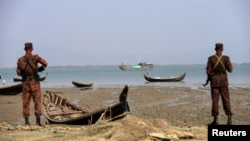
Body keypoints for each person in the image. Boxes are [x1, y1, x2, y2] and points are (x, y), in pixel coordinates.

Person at [16, 42, 48, 126]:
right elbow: (45, 63)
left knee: (26, 102)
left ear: (24, 49)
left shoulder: (20, 60)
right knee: (37, 101)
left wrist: (24, 72)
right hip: (35, 83)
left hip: (25, 83)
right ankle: (38, 122)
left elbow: (18, 72)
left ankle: (27, 122)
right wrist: (39, 69)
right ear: (32, 49)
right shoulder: (35, 58)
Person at [206, 43, 233, 125]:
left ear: (215, 49)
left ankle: (215, 120)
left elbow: (208, 72)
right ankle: (229, 120)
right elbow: (230, 70)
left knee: (215, 101)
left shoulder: (211, 59)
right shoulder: (226, 58)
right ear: (222, 49)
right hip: (224, 82)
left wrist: (211, 76)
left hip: (214, 83)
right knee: (226, 100)